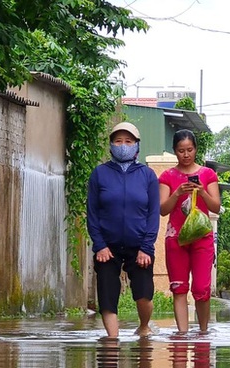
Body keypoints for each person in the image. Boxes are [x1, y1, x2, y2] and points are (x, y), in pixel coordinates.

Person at [86, 122, 160, 338]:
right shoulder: (99, 174)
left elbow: (153, 214)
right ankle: (112, 340)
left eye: (128, 141)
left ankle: (144, 326)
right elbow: (92, 213)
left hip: (139, 246)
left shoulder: (147, 176)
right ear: (111, 145)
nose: (123, 145)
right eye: (118, 141)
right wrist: (99, 245)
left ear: (136, 146)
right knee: (107, 298)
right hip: (107, 247)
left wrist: (146, 247)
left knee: (144, 295)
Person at [159, 129, 221, 333]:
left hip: (201, 237)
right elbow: (163, 209)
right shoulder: (167, 176)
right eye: (181, 151)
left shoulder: (207, 174)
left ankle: (203, 332)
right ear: (175, 151)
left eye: (190, 150)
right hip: (176, 238)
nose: (186, 155)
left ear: (196, 149)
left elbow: (215, 207)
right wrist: (177, 193)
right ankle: (183, 334)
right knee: (178, 287)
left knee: (202, 288)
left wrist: (202, 191)